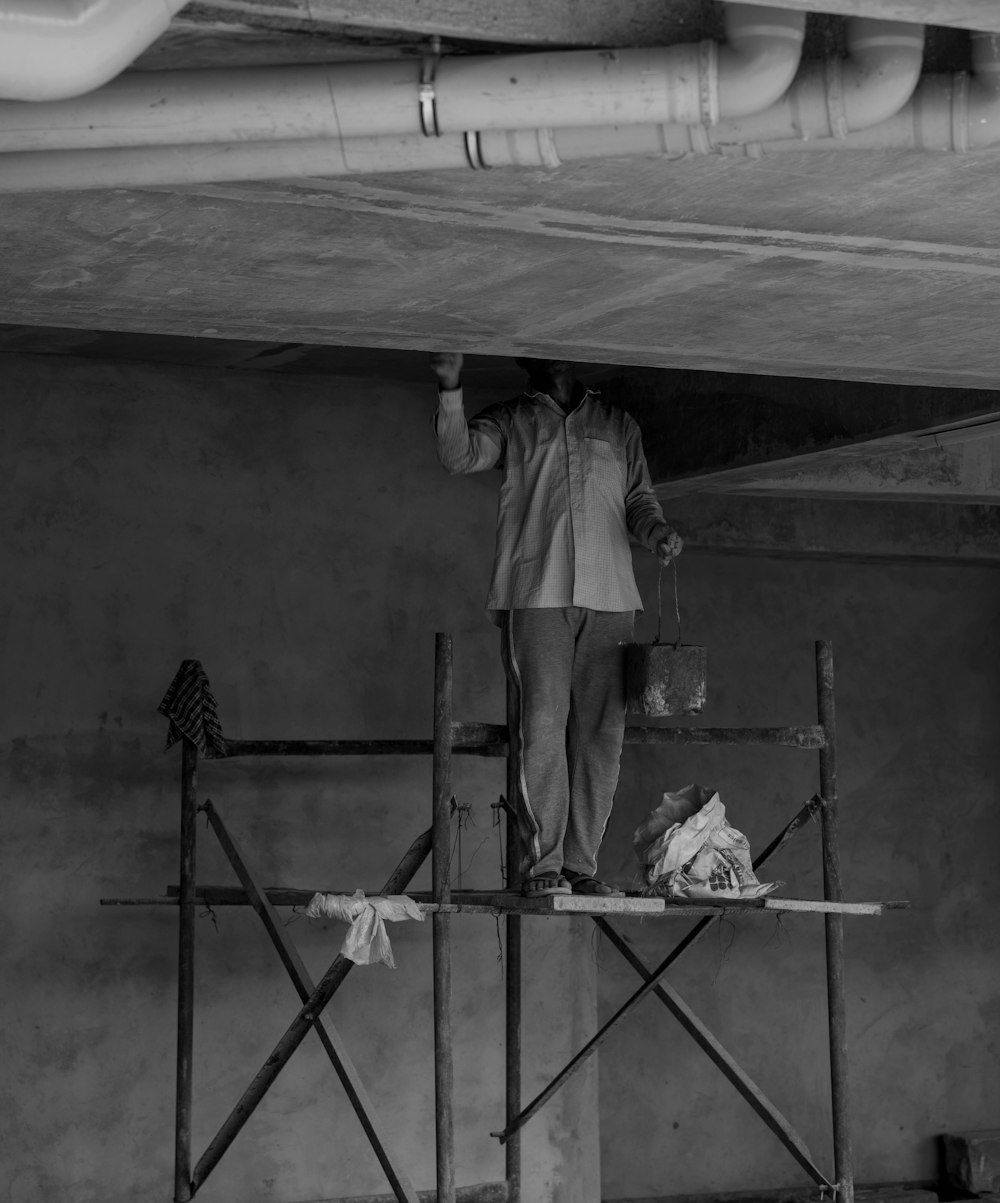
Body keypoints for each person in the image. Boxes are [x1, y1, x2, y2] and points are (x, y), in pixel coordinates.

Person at [430, 352, 682, 898]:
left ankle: (578, 867)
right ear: (526, 362)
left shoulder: (617, 424)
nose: (550, 361)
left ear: (577, 358)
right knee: (541, 726)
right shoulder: (512, 419)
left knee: (602, 737)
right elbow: (459, 456)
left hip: (611, 596)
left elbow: (638, 500)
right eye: (537, 353)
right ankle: (542, 868)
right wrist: (451, 386)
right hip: (537, 593)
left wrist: (657, 532)